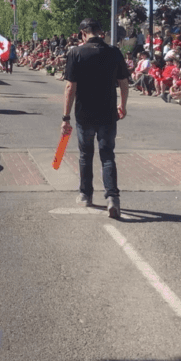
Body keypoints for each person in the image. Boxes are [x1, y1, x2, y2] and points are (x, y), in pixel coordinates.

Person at [62, 18, 129, 219]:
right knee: (107, 155)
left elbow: (70, 87)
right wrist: (123, 105)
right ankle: (112, 197)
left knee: (86, 154)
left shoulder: (76, 53)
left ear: (83, 33)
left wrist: (65, 117)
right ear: (100, 32)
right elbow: (124, 82)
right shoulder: (114, 52)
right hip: (108, 112)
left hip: (84, 113)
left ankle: (86, 194)